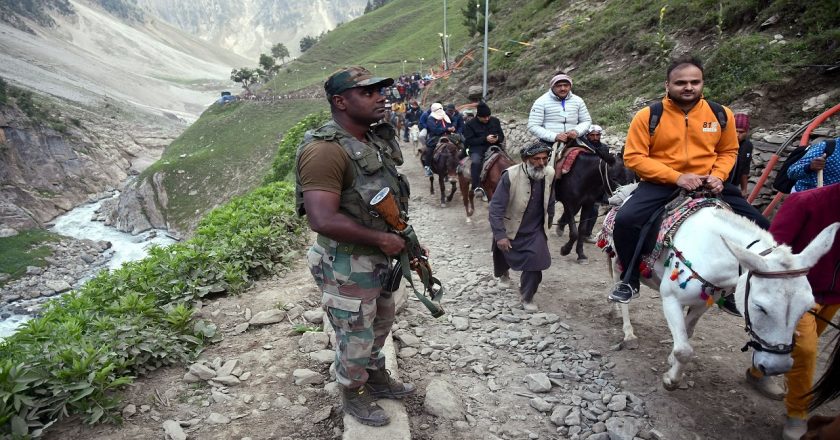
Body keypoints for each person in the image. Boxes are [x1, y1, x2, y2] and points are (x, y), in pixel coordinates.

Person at [295, 66, 416, 427]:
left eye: (380, 90)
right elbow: (321, 218)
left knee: (380, 322)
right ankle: (353, 392)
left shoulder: (371, 139)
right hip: (346, 262)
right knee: (354, 332)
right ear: (340, 101)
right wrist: (381, 239)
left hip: (376, 259)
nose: (381, 96)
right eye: (368, 92)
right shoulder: (324, 151)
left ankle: (375, 376)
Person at [609, 56, 770, 303]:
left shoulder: (720, 114)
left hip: (710, 183)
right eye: (680, 82)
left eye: (695, 82)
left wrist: (718, 176)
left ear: (702, 83)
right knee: (626, 220)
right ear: (667, 85)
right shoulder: (648, 116)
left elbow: (728, 151)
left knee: (762, 226)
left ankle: (745, 287)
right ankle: (629, 279)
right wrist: (677, 177)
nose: (688, 87)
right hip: (661, 182)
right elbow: (634, 157)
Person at [740, 183, 840, 440]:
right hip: (795, 297)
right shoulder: (805, 202)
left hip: (835, 295)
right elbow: (772, 256)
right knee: (805, 350)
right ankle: (797, 414)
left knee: (795, 345)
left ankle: (757, 372)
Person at [489, 141, 556, 312]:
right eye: (536, 159)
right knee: (503, 252)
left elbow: (551, 201)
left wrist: (548, 223)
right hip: (511, 225)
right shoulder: (510, 176)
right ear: (526, 159)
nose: (541, 163)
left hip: (535, 229)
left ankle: (527, 296)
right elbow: (496, 208)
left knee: (536, 262)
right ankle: (504, 273)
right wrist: (500, 235)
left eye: (545, 158)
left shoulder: (548, 173)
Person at [527, 73, 591, 146]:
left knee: (596, 154)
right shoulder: (541, 102)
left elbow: (586, 121)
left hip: (575, 139)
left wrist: (576, 131)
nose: (563, 88)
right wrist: (555, 136)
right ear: (552, 87)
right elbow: (533, 126)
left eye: (566, 85)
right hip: (549, 142)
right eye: (559, 86)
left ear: (570, 86)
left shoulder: (578, 100)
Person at [463, 102, 505, 198]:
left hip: (495, 146)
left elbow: (502, 136)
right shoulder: (469, 124)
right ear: (478, 116)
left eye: (488, 116)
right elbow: (469, 141)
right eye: (484, 117)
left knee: (506, 161)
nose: (487, 119)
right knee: (476, 162)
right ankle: (476, 186)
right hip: (477, 148)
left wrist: (497, 138)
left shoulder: (495, 121)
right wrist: (485, 139)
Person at [578, 124, 610, 242]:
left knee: (594, 209)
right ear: (588, 136)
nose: (595, 137)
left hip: (597, 184)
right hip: (582, 182)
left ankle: (587, 234)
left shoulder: (604, 148)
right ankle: (564, 222)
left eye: (598, 135)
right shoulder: (582, 147)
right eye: (592, 135)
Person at [423, 102, 453, 177]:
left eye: (440, 108)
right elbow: (435, 130)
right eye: (437, 109)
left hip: (448, 135)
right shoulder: (431, 118)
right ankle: (427, 167)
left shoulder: (445, 116)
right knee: (430, 150)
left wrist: (452, 128)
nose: (439, 110)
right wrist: (447, 129)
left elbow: (450, 124)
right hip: (435, 137)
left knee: (460, 144)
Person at [728, 113, 754, 196]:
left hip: (734, 186)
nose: (737, 135)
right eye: (735, 130)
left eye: (741, 132)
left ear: (747, 132)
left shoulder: (747, 146)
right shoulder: (722, 143)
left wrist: (744, 190)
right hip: (718, 184)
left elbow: (745, 169)